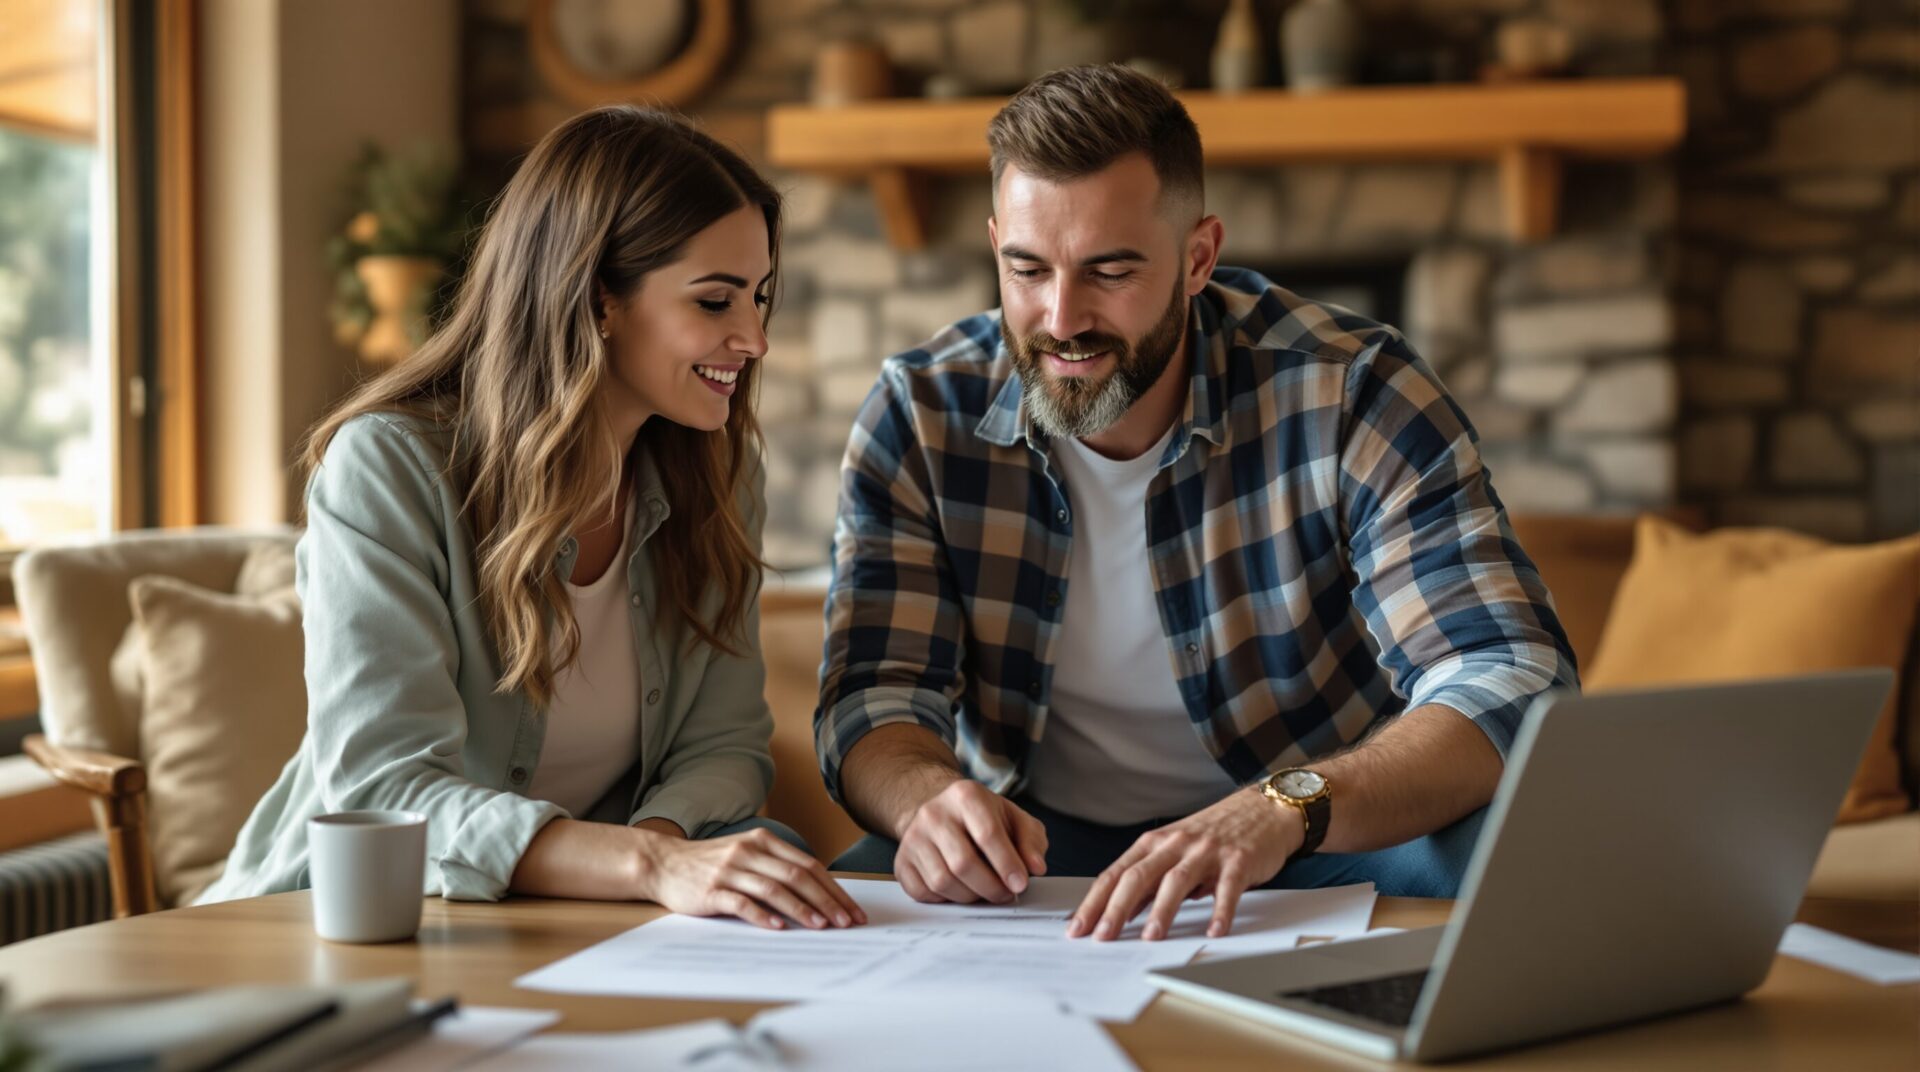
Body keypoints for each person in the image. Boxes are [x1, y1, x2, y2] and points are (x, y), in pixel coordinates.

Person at [816, 65, 1577, 941]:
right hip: (1032, 849)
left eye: (1110, 271)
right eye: (1027, 269)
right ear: (996, 247)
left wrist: (1285, 807)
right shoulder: (918, 413)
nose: (1061, 318)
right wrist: (929, 802)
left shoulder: (1353, 389)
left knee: (1513, 862)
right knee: (838, 905)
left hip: (1312, 832)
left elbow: (1510, 672)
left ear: (1199, 258)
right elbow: (873, 695)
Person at [202, 105, 863, 934]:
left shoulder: (723, 475)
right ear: (597, 301)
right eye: (716, 301)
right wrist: (651, 866)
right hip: (351, 923)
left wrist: (660, 865)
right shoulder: (388, 469)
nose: (755, 339)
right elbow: (385, 789)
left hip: (577, 923)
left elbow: (724, 746)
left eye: (759, 298)